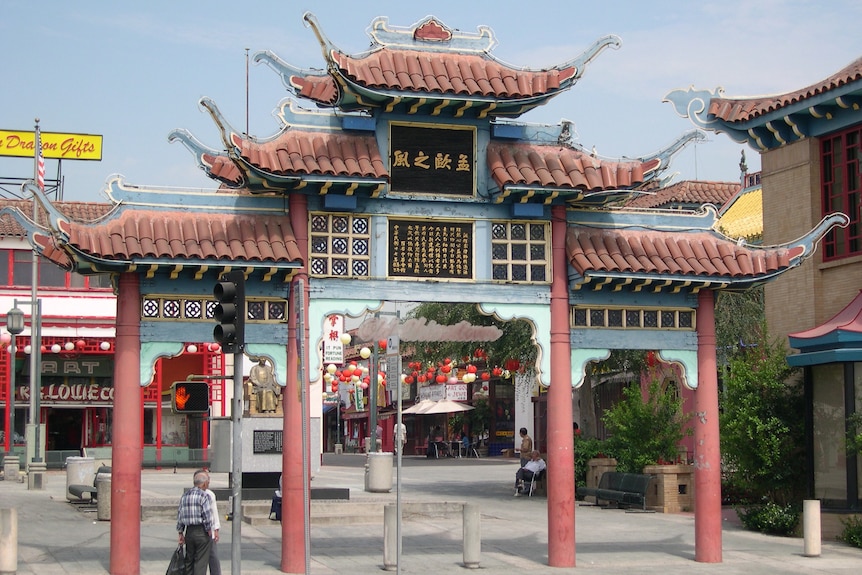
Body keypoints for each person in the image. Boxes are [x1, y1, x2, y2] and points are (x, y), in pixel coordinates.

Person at [177, 469, 215, 575]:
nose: (208, 484)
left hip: (189, 532)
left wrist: (180, 532)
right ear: (203, 483)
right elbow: (207, 515)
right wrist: (209, 530)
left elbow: (180, 515)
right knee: (200, 562)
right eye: (207, 482)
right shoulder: (204, 496)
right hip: (201, 531)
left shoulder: (185, 496)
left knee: (189, 560)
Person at [203, 473, 221, 575]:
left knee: (213, 557)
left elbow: (215, 513)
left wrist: (216, 529)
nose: (209, 482)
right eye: (207, 480)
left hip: (210, 531)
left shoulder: (210, 494)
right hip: (205, 531)